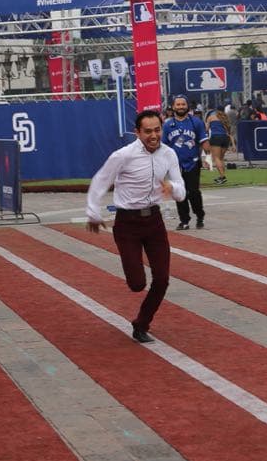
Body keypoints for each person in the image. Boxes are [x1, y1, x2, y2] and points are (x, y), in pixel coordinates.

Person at [86, 109, 186, 343]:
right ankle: (136, 284)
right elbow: (101, 181)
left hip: (154, 221)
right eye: (148, 131)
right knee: (137, 284)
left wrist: (173, 188)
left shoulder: (169, 154)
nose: (154, 135)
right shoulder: (123, 155)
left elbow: (181, 189)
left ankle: (141, 324)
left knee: (162, 279)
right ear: (137, 132)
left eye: (157, 130)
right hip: (127, 223)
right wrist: (93, 212)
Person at [163, 96, 209, 231]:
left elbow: (204, 141)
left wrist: (208, 158)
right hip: (175, 165)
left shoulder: (196, 122)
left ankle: (200, 215)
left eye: (183, 104)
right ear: (173, 106)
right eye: (178, 104)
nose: (181, 106)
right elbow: (164, 146)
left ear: (187, 106)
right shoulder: (167, 125)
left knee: (193, 192)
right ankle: (184, 220)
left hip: (193, 162)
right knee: (179, 192)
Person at [205, 107, 231, 183]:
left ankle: (223, 176)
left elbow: (206, 129)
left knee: (216, 158)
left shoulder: (211, 117)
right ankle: (221, 176)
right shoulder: (225, 118)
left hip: (216, 137)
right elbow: (228, 130)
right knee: (221, 158)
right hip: (225, 138)